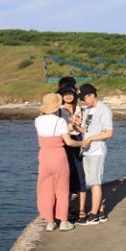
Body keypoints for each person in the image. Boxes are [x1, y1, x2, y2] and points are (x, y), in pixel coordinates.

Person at [35, 93, 84, 232]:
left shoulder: (37, 121)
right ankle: (63, 221)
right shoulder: (60, 121)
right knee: (62, 190)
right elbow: (68, 141)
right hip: (58, 156)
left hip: (44, 156)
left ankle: (50, 222)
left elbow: (50, 132)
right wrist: (82, 142)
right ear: (57, 106)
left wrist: (70, 127)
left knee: (46, 189)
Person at [72, 83, 114, 225]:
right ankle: (100, 212)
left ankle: (94, 214)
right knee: (91, 183)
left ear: (91, 95)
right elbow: (86, 131)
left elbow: (109, 133)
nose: (83, 101)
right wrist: (75, 126)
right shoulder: (89, 110)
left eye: (84, 98)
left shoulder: (104, 110)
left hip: (97, 151)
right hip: (87, 151)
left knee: (95, 183)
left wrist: (91, 139)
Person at [58, 84, 84, 204]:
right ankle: (67, 202)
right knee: (66, 171)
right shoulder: (58, 110)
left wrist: (77, 125)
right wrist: (70, 126)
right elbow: (57, 129)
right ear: (61, 96)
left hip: (77, 138)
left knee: (78, 170)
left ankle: (79, 205)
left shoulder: (78, 108)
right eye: (65, 94)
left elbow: (83, 127)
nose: (68, 96)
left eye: (70, 94)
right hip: (64, 140)